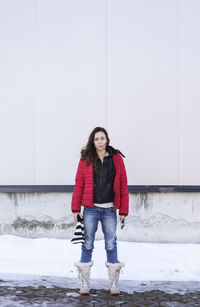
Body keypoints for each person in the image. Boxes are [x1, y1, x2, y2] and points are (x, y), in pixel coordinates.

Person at [71, 127, 129, 295]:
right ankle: (84, 284)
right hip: (90, 209)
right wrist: (76, 208)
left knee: (111, 244)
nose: (100, 141)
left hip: (110, 209)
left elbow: (123, 185)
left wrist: (123, 209)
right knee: (87, 243)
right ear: (93, 141)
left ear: (107, 140)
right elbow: (79, 184)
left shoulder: (116, 159)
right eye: (96, 139)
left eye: (102, 138)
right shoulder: (86, 159)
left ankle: (113, 285)